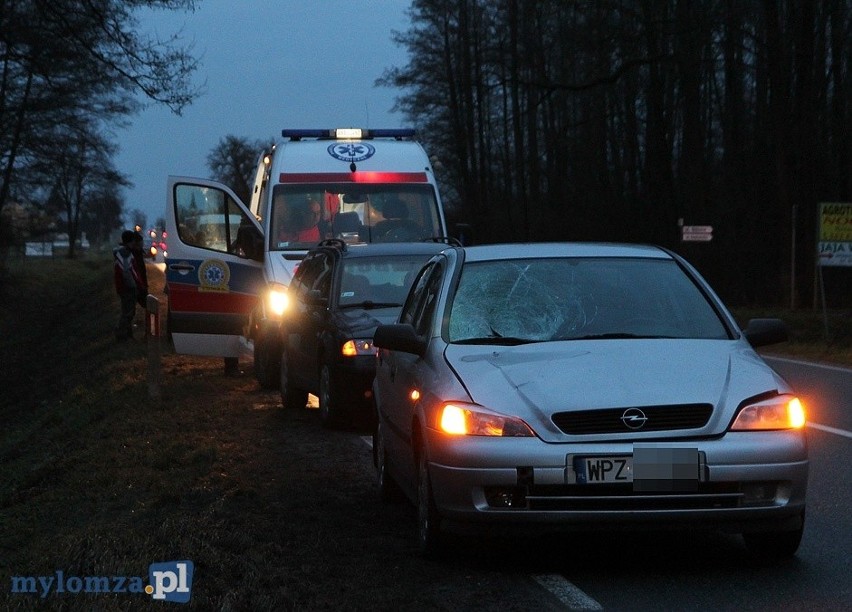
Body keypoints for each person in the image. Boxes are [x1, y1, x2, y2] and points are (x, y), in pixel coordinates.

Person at [113, 230, 143, 341]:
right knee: (128, 312)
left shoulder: (122, 252)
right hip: (127, 288)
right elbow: (128, 272)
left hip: (124, 287)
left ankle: (127, 334)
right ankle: (121, 334)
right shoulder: (125, 254)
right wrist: (135, 286)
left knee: (128, 311)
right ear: (131, 241)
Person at [129, 231, 149, 308]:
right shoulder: (133, 254)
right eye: (141, 242)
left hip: (140, 284)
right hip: (137, 285)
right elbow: (137, 271)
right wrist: (141, 285)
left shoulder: (138, 252)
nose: (142, 243)